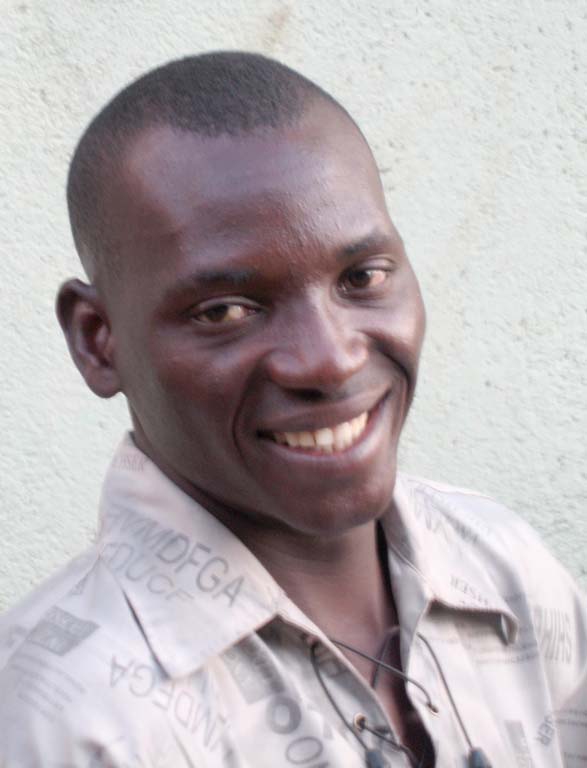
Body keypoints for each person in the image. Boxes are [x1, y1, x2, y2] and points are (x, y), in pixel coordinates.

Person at [0, 52, 585, 768]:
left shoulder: (506, 568)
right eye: (225, 311)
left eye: (362, 277)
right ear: (98, 340)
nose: (330, 359)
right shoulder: (63, 719)